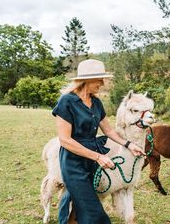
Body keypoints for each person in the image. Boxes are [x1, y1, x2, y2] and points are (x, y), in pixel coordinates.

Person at [52, 59, 146, 224]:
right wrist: (98, 157)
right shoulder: (66, 101)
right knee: (94, 212)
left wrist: (129, 145)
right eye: (99, 79)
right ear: (86, 80)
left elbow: (108, 130)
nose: (102, 83)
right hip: (73, 162)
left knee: (78, 205)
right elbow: (65, 140)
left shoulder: (96, 102)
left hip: (92, 160)